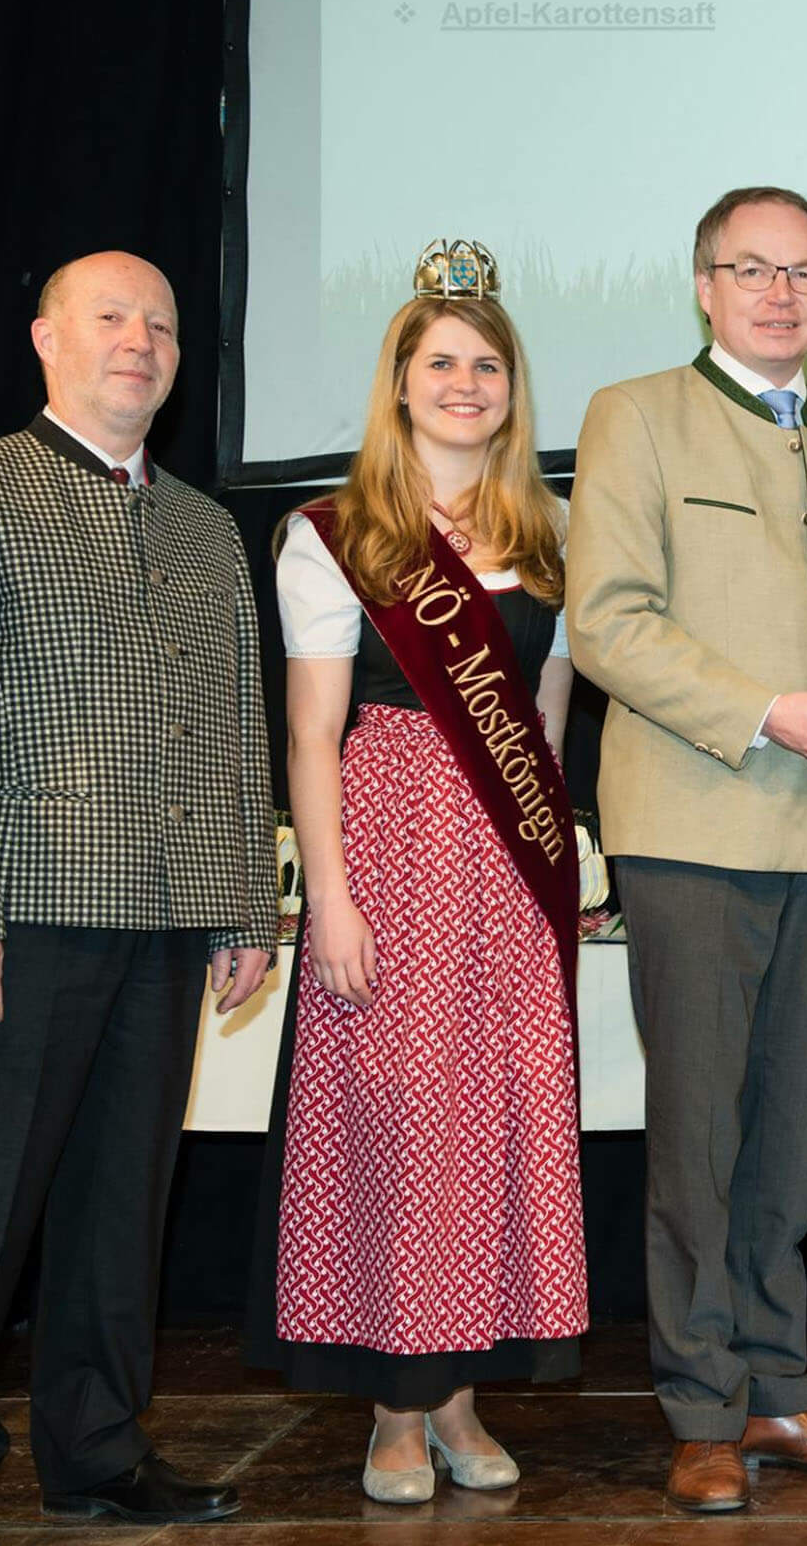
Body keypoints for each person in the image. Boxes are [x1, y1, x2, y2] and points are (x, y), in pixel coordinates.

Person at [0, 252, 277, 1546]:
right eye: (112, 316)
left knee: (125, 1205)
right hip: (18, 921)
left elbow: (236, 731)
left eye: (162, 324)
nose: (141, 339)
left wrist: (244, 905)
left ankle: (96, 1452)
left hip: (170, 918)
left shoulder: (205, 526)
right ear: (48, 336)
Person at [567, 187, 807, 1513]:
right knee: (698, 1134)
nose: (781, 294)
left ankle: (778, 1394)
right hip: (690, 826)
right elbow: (606, 623)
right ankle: (701, 1406)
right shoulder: (632, 415)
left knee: (786, 1136)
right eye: (753, 270)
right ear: (703, 284)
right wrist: (759, 711)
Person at [245, 244, 587, 1504]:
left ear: (512, 387)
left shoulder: (546, 531)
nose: (463, 382)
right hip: (389, 844)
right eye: (438, 362)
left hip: (507, 865)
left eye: (485, 364)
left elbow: (543, 726)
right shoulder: (336, 536)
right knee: (397, 1116)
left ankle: (460, 1393)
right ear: (397, 383)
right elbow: (309, 734)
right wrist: (326, 895)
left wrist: (560, 870)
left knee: (496, 1119)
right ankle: (394, 1401)